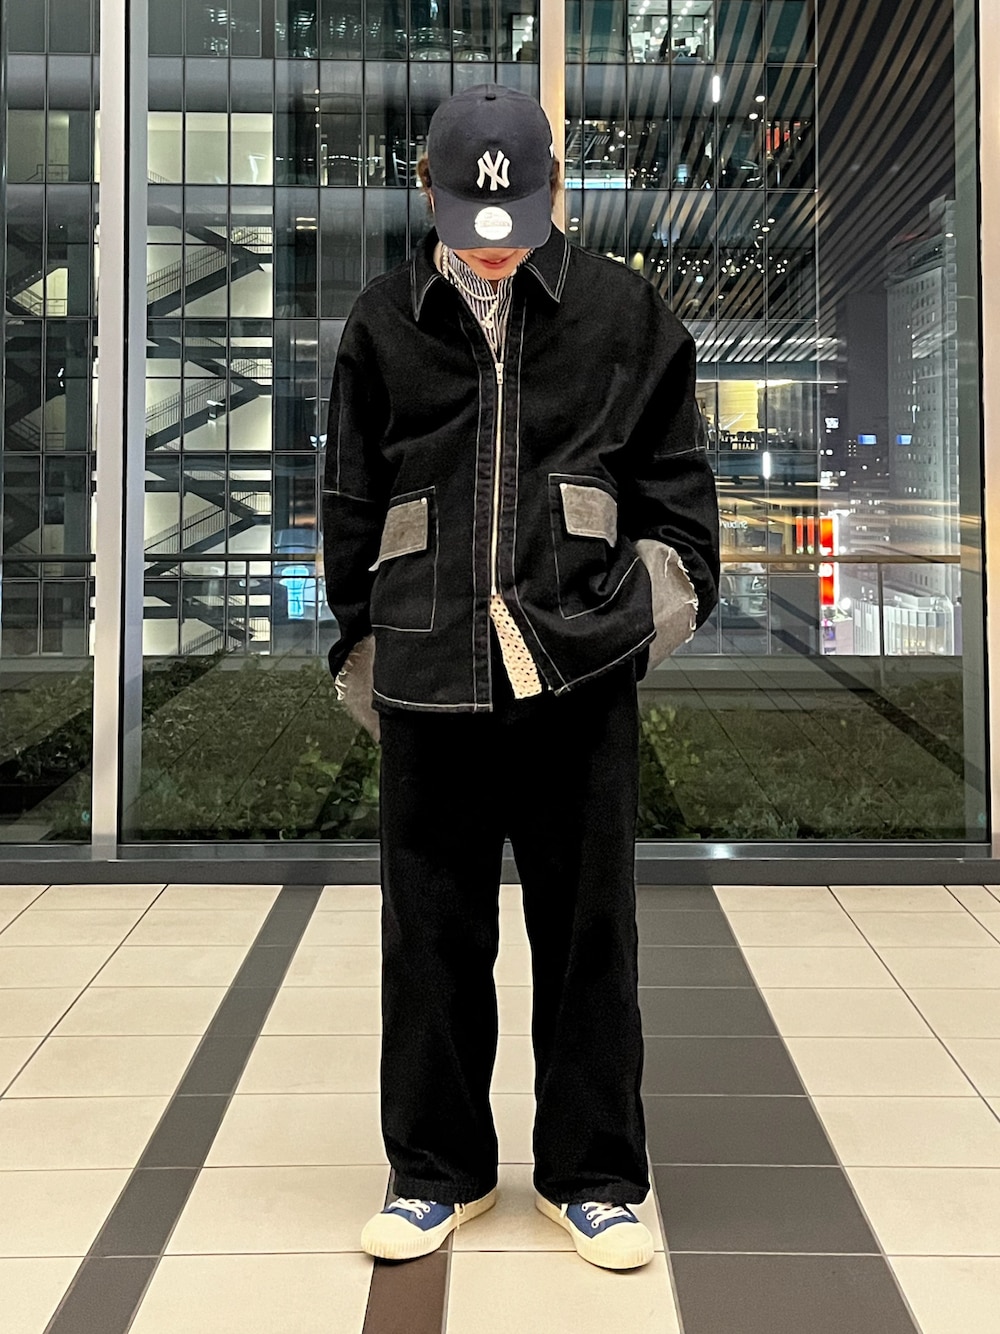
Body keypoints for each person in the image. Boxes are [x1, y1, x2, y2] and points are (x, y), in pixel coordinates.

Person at [322, 83, 720, 1271]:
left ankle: (591, 1174)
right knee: (429, 939)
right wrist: (368, 647)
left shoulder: (623, 313)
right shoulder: (383, 320)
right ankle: (434, 1171)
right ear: (426, 193)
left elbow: (682, 513)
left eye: (516, 220)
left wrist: (616, 632)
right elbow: (349, 505)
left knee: (591, 936)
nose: (494, 248)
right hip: (429, 680)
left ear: (554, 190)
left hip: (578, 683)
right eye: (470, 221)